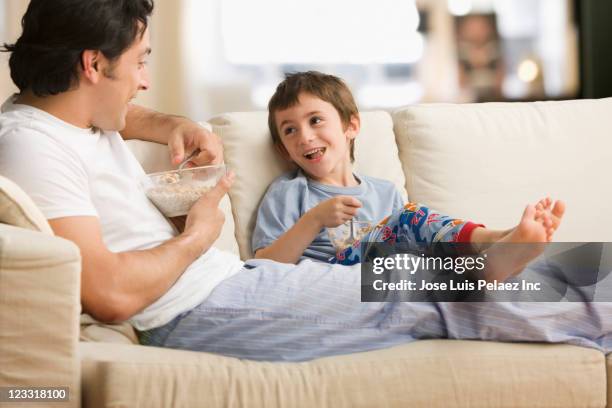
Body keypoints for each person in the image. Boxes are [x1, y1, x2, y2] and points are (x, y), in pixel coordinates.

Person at [1, 0, 609, 363]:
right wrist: (199, 234)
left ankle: (578, 274)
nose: (142, 82)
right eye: (139, 62)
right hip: (199, 309)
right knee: (418, 287)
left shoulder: (69, 114)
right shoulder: (30, 147)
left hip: (236, 283)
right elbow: (108, 295)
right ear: (92, 64)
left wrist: (172, 124)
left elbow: (125, 113)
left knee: (414, 270)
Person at [253, 71, 565, 275]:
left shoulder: (384, 191)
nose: (304, 136)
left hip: (392, 276)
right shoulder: (289, 191)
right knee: (409, 219)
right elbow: (263, 265)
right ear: (284, 149)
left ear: (351, 126)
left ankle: (496, 252)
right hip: (333, 277)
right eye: (290, 130)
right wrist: (314, 220)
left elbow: (418, 245)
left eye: (315, 120)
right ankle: (495, 243)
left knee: (423, 252)